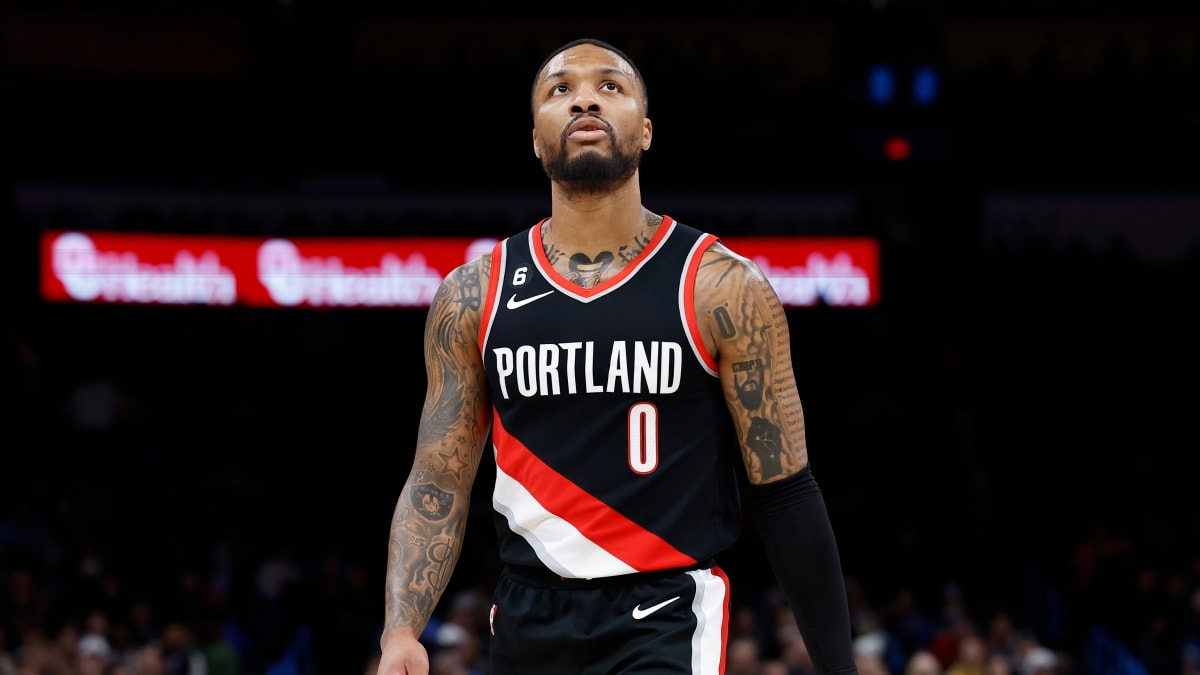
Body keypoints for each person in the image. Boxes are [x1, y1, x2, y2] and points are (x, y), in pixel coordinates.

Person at [375, 37, 857, 675]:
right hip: (526, 616)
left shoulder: (721, 286)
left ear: (647, 130)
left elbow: (786, 492)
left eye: (610, 86)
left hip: (667, 612)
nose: (585, 100)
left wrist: (838, 666)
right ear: (536, 138)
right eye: (561, 89)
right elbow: (438, 480)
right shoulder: (472, 294)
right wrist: (400, 631)